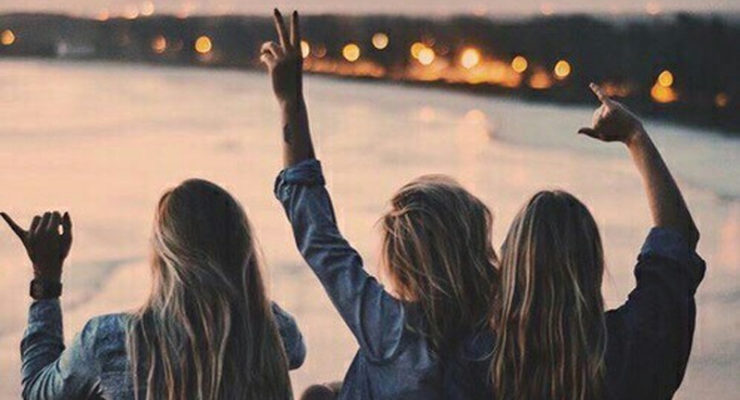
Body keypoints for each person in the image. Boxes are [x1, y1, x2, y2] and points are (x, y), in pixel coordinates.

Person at [261, 9, 498, 400]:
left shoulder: (389, 328)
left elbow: (319, 238)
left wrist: (290, 101)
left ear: (402, 262)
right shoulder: (501, 334)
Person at [484, 84, 705, 400]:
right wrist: (635, 137)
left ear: (511, 266)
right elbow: (677, 238)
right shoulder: (632, 349)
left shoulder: (478, 361)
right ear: (593, 263)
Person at [2, 179, 305, 399]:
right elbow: (294, 350)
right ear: (242, 250)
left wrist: (46, 279)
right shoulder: (273, 333)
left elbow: (37, 391)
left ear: (164, 254)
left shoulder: (111, 341)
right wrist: (238, 284)